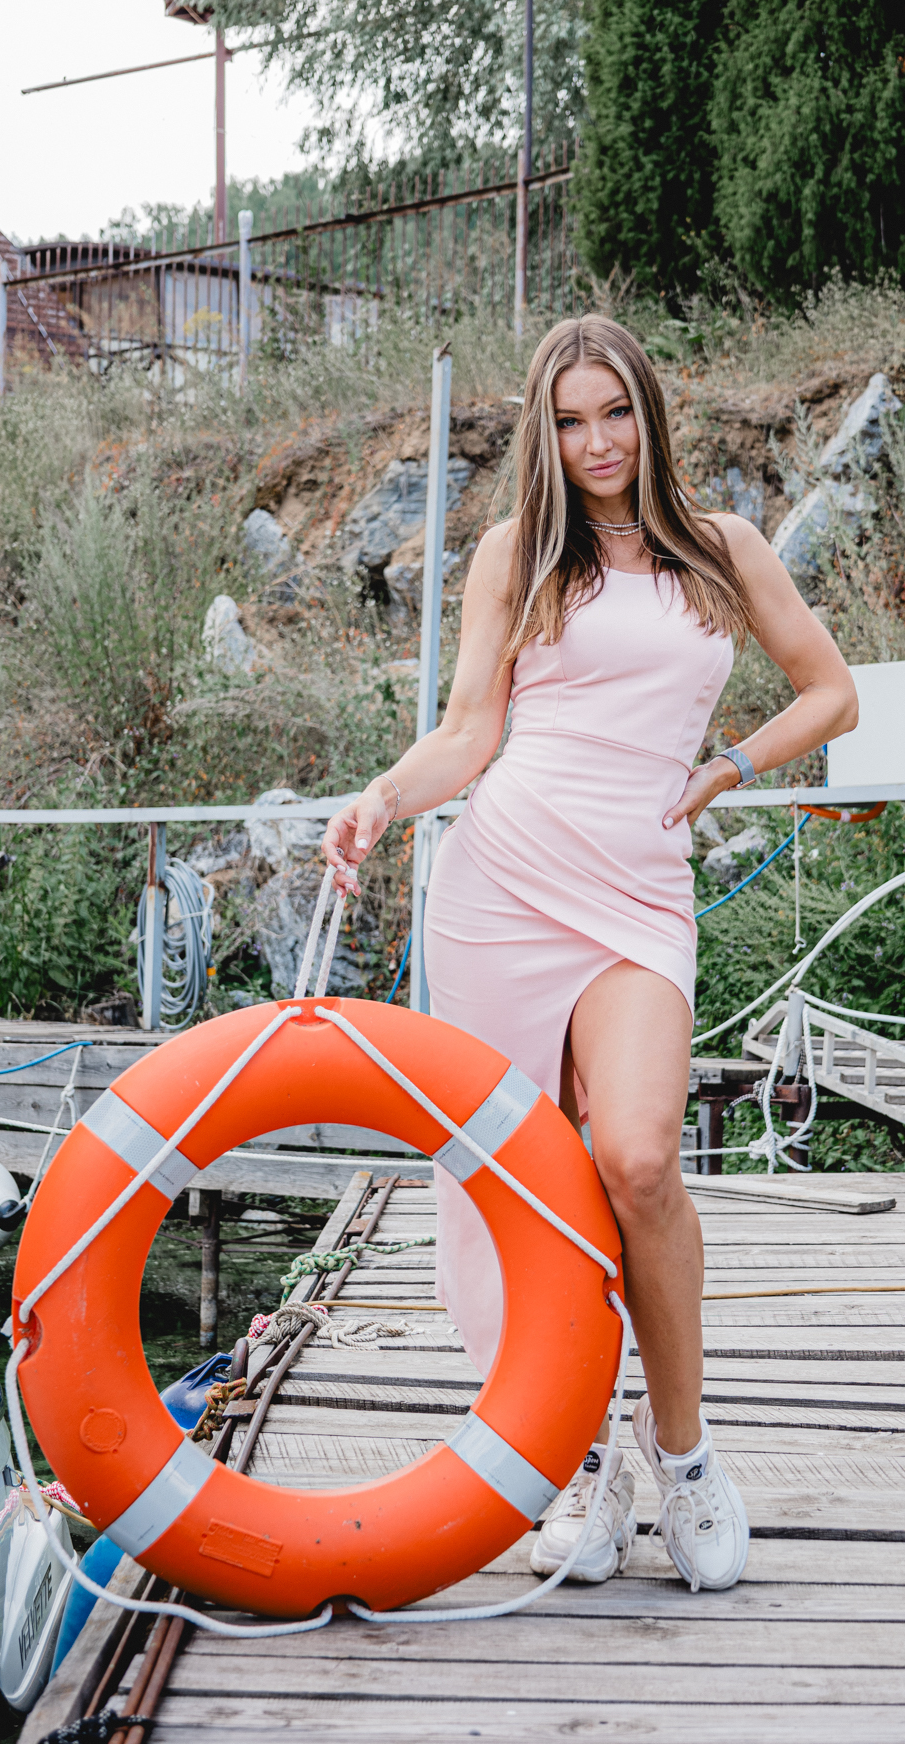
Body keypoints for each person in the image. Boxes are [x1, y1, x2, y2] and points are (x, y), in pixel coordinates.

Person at [322, 314, 857, 1593]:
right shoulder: (516, 551)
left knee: (636, 1158)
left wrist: (727, 766)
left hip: (636, 892)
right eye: (568, 420)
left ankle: (683, 1456)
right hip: (502, 884)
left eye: (613, 412)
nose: (597, 441)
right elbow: (469, 731)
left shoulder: (720, 548)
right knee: (521, 1188)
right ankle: (578, 1459)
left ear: (647, 413)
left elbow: (830, 690)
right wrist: (383, 798)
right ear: (543, 433)